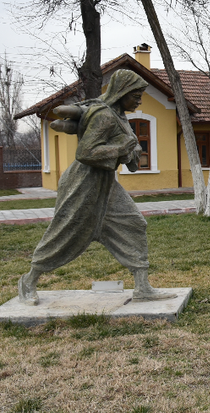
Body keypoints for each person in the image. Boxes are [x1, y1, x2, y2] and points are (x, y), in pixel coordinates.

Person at [18, 69, 174, 305]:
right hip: (83, 182)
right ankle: (28, 282)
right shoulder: (105, 116)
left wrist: (132, 150)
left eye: (141, 95)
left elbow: (126, 147)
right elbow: (86, 153)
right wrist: (123, 149)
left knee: (133, 223)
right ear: (121, 92)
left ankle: (142, 287)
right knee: (65, 231)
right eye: (136, 95)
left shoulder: (119, 115)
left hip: (106, 182)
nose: (139, 100)